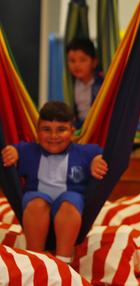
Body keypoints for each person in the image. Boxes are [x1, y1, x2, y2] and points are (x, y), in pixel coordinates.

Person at [1, 101, 108, 263]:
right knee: (36, 203)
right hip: (36, 203)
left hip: (69, 206)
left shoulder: (85, 152)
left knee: (70, 203)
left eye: (61, 130)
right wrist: (12, 152)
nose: (53, 136)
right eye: (46, 130)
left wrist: (97, 160)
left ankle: (64, 260)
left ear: (72, 131)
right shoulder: (28, 151)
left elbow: (102, 156)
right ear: (37, 132)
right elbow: (13, 151)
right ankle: (35, 260)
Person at [66, 38, 104, 127]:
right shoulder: (70, 85)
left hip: (97, 126)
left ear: (94, 62)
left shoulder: (100, 82)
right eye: (72, 61)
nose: (77, 65)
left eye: (82, 60)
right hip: (79, 127)